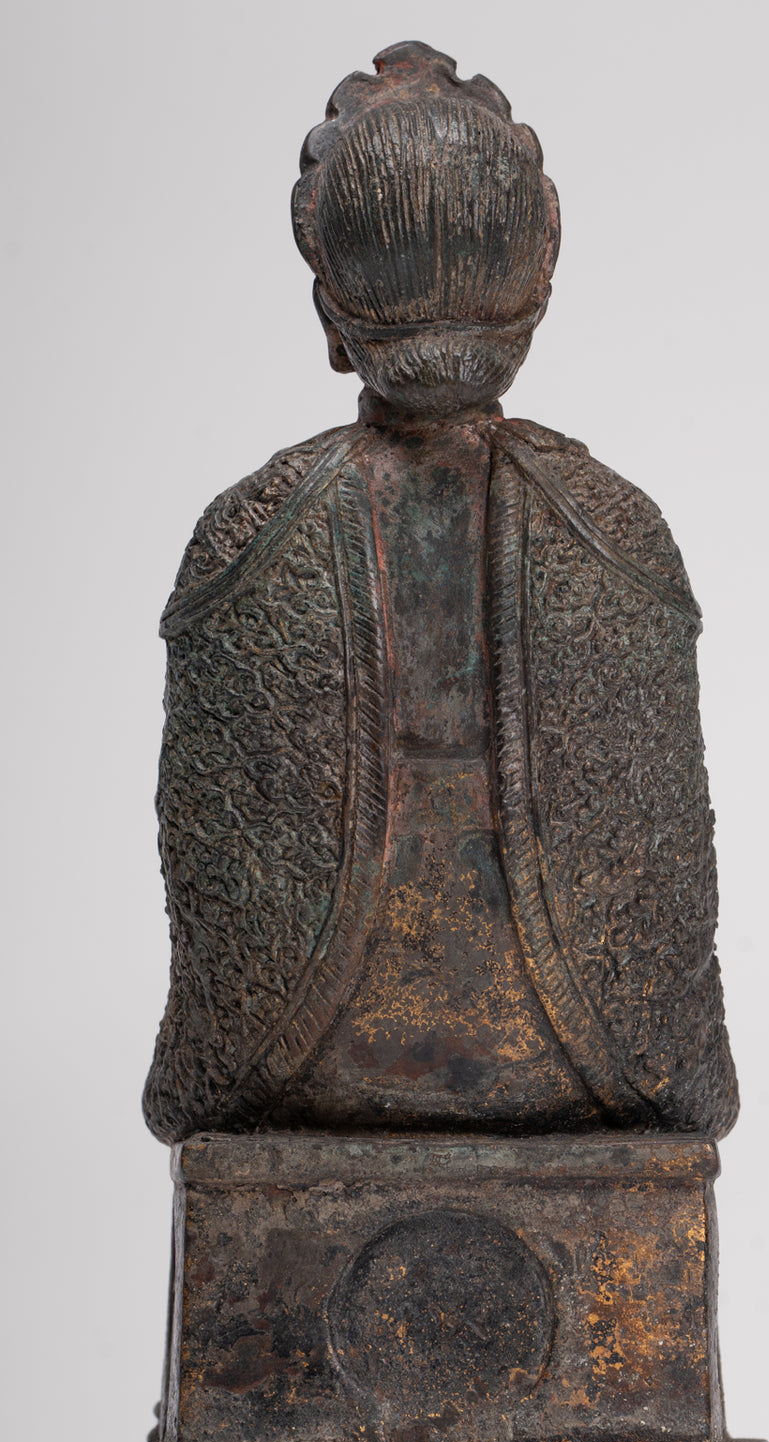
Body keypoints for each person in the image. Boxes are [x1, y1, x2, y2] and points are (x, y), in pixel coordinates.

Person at [144, 41, 738, 1145]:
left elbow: (226, 932)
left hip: (295, 1075)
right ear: (539, 285)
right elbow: (655, 939)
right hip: (593, 1072)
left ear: (332, 313)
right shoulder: (618, 527)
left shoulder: (247, 531)